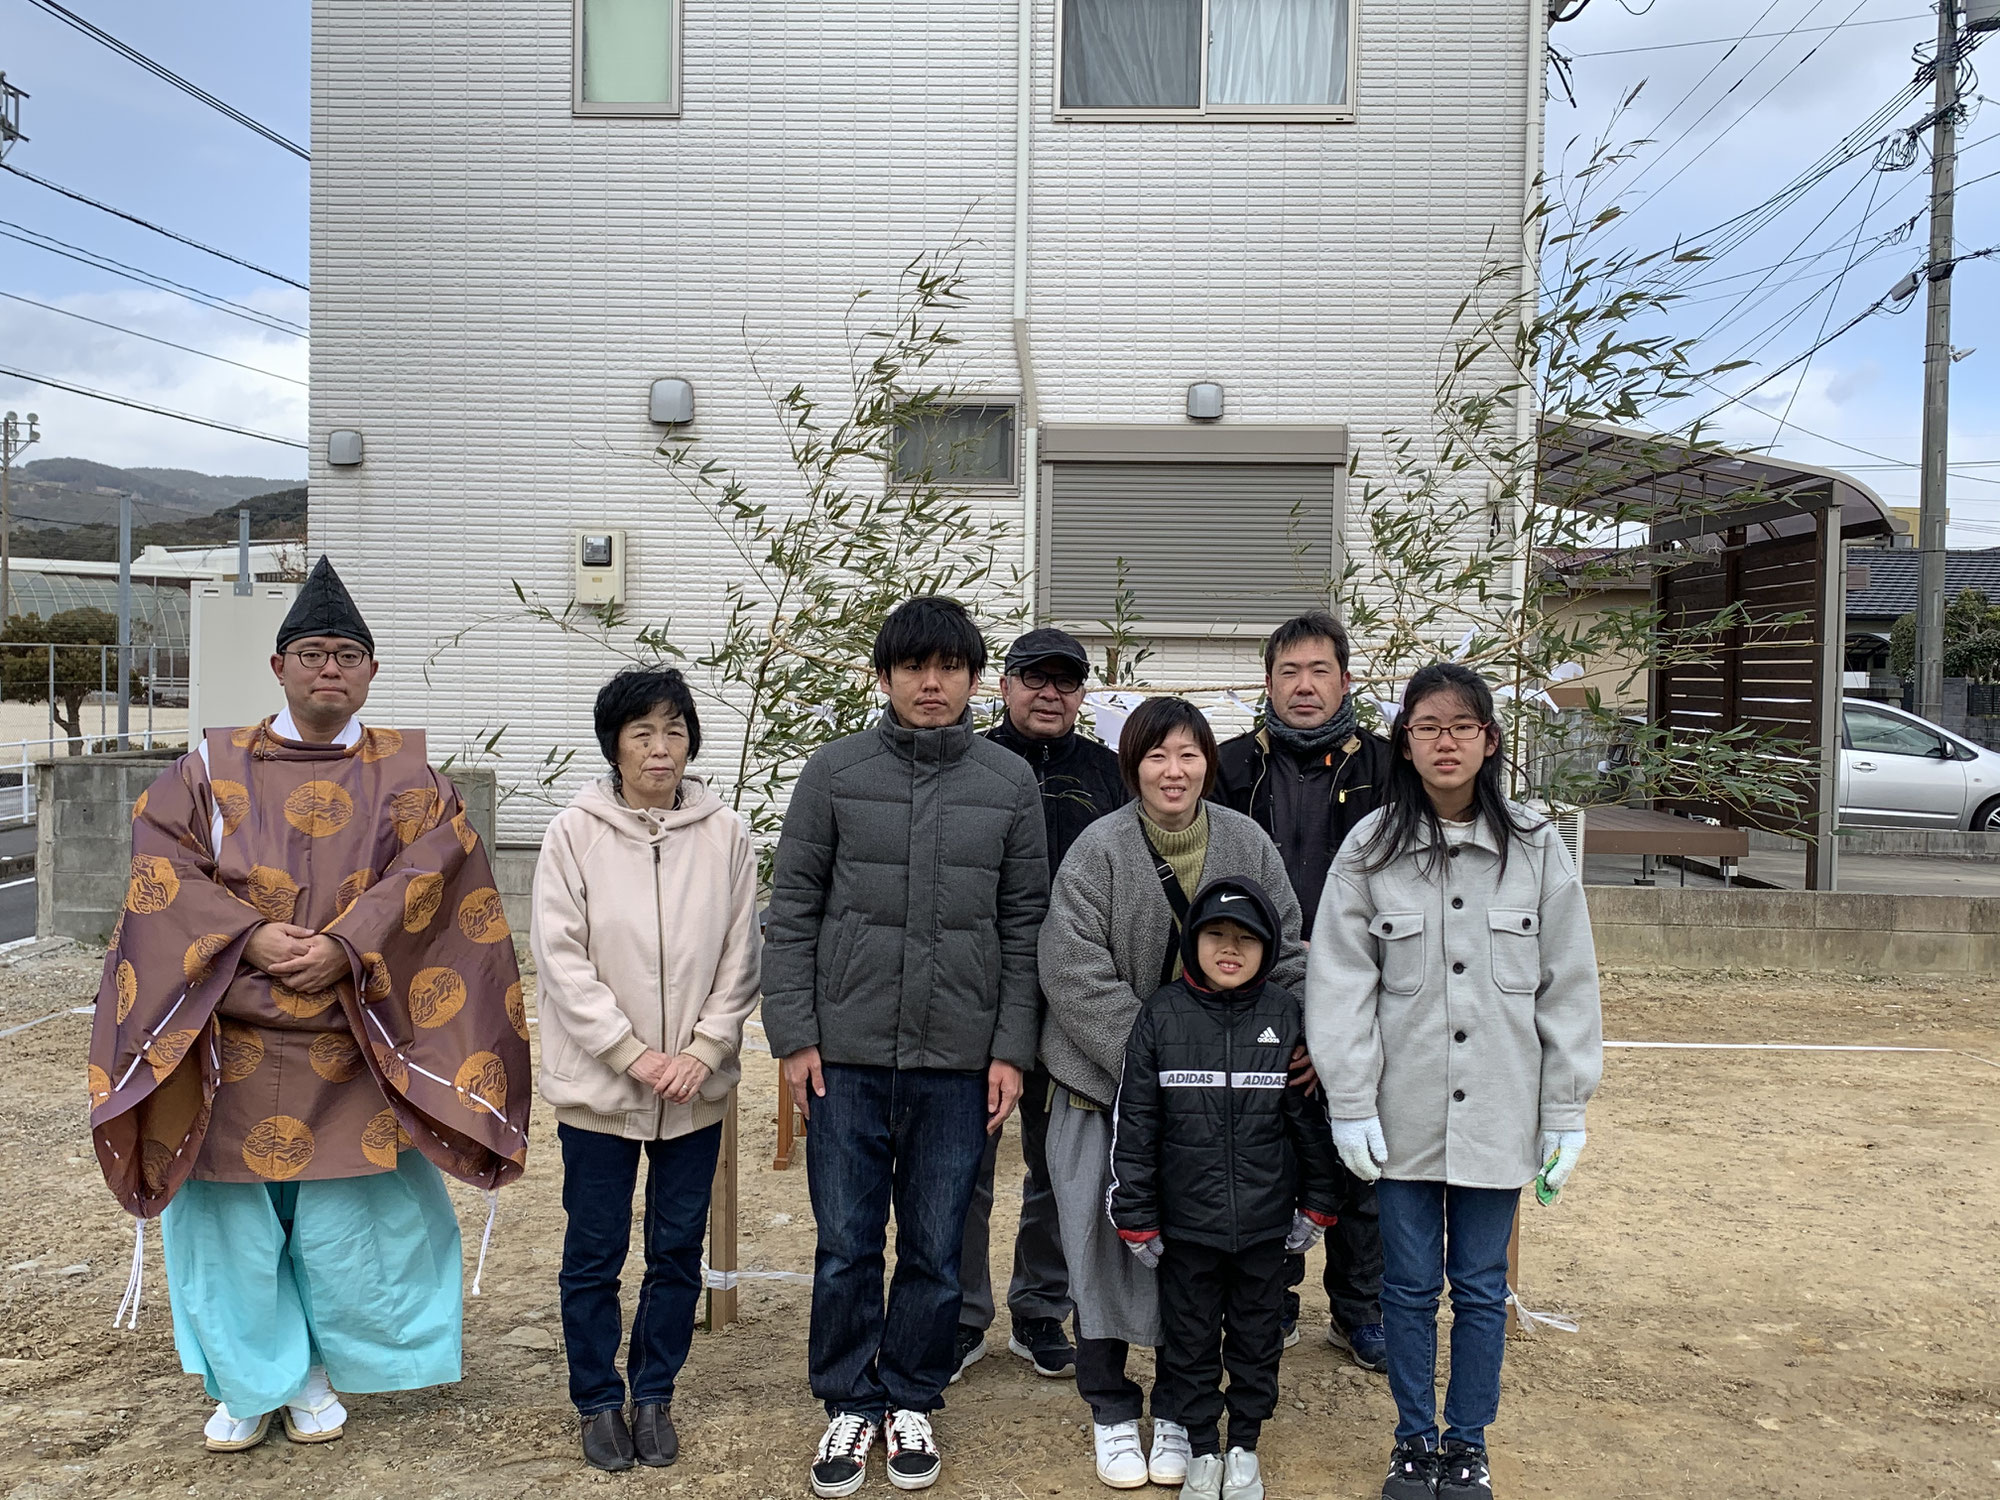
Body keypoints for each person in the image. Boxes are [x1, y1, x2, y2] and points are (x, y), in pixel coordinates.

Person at [86, 557, 530, 1453]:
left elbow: (437, 875)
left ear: (370, 672)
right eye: (313, 653)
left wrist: (344, 942)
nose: (331, 669)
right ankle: (249, 1379)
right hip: (226, 1033)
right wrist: (248, 936)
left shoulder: (412, 776)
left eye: (348, 656)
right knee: (227, 1225)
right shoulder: (206, 768)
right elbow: (160, 869)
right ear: (280, 666)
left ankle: (320, 1369)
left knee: (347, 1223)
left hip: (353, 1036)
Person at [762, 596, 1050, 1497]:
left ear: (974, 680)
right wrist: (795, 1035)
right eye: (915, 667)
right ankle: (850, 1399)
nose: (933, 683)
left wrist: (1010, 1049)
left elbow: (1023, 923)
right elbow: (793, 912)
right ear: (883, 677)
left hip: (959, 1060)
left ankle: (912, 1393)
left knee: (934, 1241)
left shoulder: (1008, 784)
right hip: (844, 1057)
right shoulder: (835, 772)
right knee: (847, 1241)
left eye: (951, 668)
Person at [1305, 663, 1603, 1500]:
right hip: (1399, 1114)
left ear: (1490, 740)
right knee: (1405, 1287)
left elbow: (1568, 983)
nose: (1446, 741)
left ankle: (1466, 1443)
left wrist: (1565, 1110)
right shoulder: (1370, 849)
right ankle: (1412, 1439)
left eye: (1462, 726)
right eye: (1428, 726)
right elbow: (1340, 984)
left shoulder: (1537, 848)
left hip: (1502, 1109)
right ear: (1406, 740)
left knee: (1479, 1287)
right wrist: (1352, 1098)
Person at [1037, 696, 1304, 1492]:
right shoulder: (1098, 850)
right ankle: (1113, 1407)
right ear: (1132, 765)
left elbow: (1286, 950)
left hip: (1226, 1102)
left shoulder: (1247, 843)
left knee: (1196, 1263)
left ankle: (1188, 1415)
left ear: (1207, 764)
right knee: (1100, 1244)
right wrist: (1159, 1062)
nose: (1174, 770)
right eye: (1156, 756)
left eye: (1188, 754)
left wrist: (1267, 1047)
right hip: (1099, 1088)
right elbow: (1072, 970)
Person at [532, 667, 760, 1472]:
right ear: (615, 745)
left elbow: (742, 952)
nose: (660, 749)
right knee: (593, 1251)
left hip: (694, 1090)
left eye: (674, 731)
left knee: (675, 1247)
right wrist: (632, 1053)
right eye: (642, 733)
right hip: (602, 1085)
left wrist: (702, 1050)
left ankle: (654, 1391)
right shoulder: (573, 832)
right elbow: (560, 959)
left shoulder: (725, 833)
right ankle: (597, 1399)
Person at [1109, 875, 1342, 1500]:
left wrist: (1319, 1202)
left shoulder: (1286, 1016)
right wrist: (1134, 1210)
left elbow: (1308, 1123)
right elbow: (1136, 1123)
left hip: (1266, 1230)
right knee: (1187, 1342)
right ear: (1193, 942)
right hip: (1186, 1229)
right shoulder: (1161, 1014)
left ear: (1269, 949)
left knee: (1257, 1337)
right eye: (1216, 934)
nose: (1230, 948)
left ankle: (1243, 1447)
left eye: (1247, 938)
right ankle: (1203, 1451)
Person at [1213, 610, 1392, 1371]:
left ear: (1346, 681)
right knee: (1264, 1151)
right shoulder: (1229, 766)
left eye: (1320, 671)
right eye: (1289, 672)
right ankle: (1272, 1301)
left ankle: (1360, 1311)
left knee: (1364, 1162)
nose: (1305, 686)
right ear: (1268, 684)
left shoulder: (1387, 768)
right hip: (1256, 989)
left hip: (1363, 986)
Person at [954, 627, 1128, 1385]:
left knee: (1061, 1169)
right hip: (980, 1001)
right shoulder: (970, 764)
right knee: (962, 1167)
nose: (1049, 693)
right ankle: (957, 1316)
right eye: (1034, 679)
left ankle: (1038, 1309)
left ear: (1083, 695)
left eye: (1066, 682)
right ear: (1005, 686)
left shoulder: (1111, 773)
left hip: (1075, 1006)